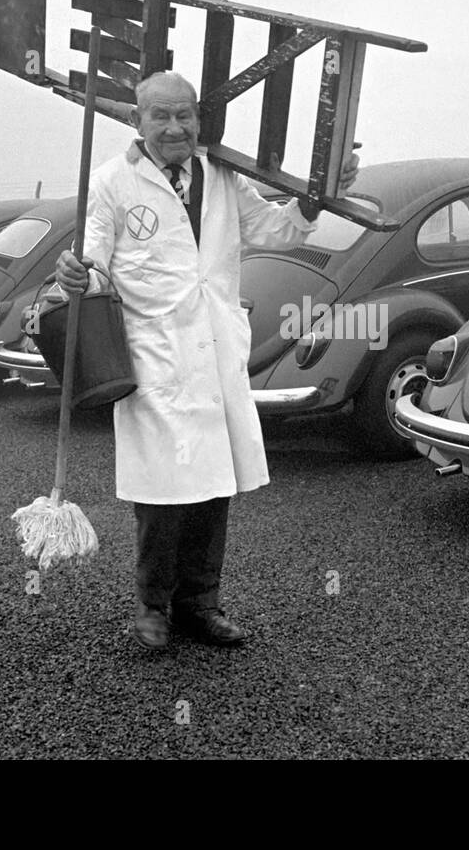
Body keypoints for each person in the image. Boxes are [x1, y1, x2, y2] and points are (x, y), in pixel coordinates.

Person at [55, 70, 358, 651]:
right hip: (153, 361)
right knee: (163, 491)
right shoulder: (113, 182)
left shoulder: (221, 174)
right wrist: (76, 273)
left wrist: (317, 196)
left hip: (216, 354)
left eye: (184, 115)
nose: (174, 127)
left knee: (213, 486)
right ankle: (152, 606)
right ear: (136, 120)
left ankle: (201, 603)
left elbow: (277, 229)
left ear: (198, 118)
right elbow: (92, 260)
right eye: (160, 116)